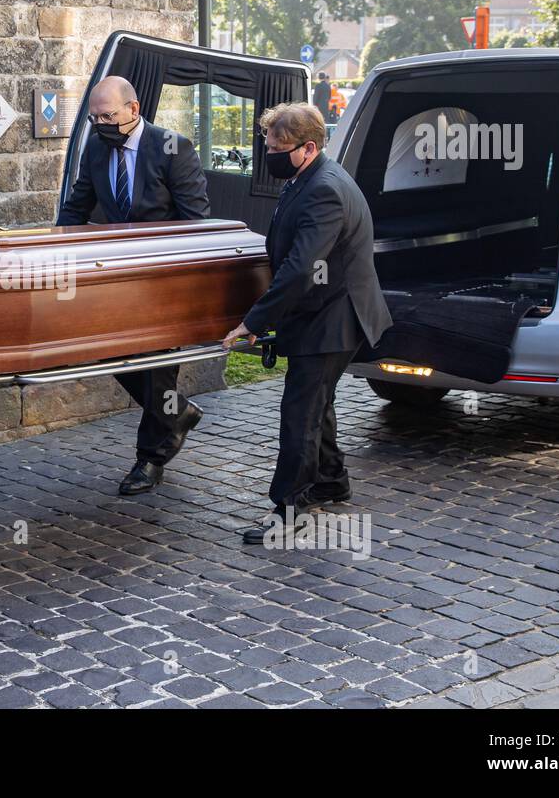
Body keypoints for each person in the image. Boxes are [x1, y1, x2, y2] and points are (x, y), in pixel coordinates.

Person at [223, 103, 391, 545]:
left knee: (300, 412)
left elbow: (300, 268)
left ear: (308, 147)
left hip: (335, 319)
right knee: (318, 403)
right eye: (267, 145)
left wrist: (254, 322)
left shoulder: (325, 190)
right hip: (324, 313)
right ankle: (331, 480)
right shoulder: (308, 178)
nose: (269, 154)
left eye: (278, 147)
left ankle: (290, 509)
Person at [57, 76, 211, 496]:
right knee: (108, 354)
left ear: (133, 110)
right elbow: (77, 205)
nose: (101, 124)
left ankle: (150, 458)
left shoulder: (172, 148)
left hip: (164, 280)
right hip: (117, 277)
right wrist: (53, 248)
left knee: (157, 367)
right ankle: (177, 413)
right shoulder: (96, 147)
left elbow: (195, 221)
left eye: (107, 116)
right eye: (94, 117)